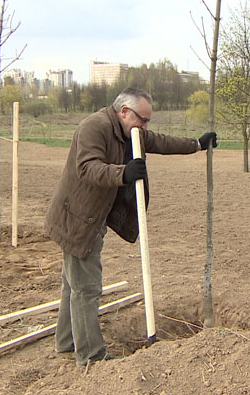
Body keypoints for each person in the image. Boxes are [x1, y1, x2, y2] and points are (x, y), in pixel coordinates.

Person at [46, 87, 218, 366]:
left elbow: (158, 141)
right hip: (76, 219)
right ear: (124, 112)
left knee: (74, 283)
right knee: (86, 287)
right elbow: (87, 168)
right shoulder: (94, 127)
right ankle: (91, 356)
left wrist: (196, 144)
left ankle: (67, 341)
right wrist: (123, 173)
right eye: (143, 119)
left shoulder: (128, 130)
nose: (146, 127)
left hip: (92, 216)